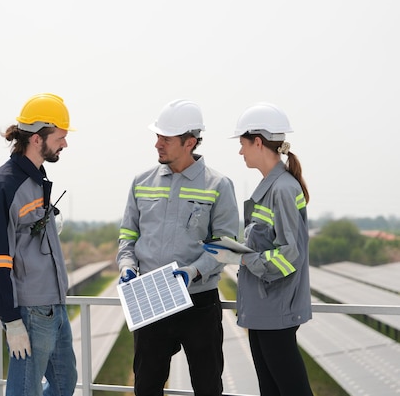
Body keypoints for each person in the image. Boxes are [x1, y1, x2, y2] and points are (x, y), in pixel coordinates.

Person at [116, 99, 240, 396]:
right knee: (146, 387)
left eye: (165, 138)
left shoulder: (218, 185)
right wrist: (126, 265)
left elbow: (225, 246)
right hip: (151, 298)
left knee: (207, 387)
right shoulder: (140, 182)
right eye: (157, 136)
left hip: (198, 303)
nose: (157, 144)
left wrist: (192, 272)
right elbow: (127, 235)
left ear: (190, 142)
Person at [204, 102, 313, 396]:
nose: (240, 152)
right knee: (271, 390)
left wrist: (243, 257)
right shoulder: (268, 189)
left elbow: (292, 254)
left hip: (276, 311)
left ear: (258, 142)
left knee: (292, 390)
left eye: (242, 144)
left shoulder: (284, 189)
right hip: (263, 310)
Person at [0, 93, 77, 396]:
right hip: (31, 310)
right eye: (60, 137)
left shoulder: (36, 178)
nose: (65, 144)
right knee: (24, 392)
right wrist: (11, 320)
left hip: (55, 304)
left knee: (65, 384)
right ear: (37, 139)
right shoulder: (4, 186)